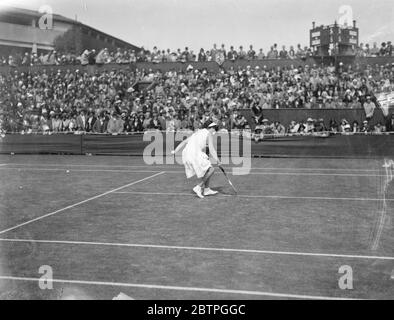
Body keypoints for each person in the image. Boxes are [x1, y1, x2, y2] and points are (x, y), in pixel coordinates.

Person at [171, 121, 221, 199]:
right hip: (194, 154)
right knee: (211, 170)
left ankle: (207, 190)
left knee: (207, 169)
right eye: (214, 128)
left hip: (188, 154)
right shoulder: (209, 134)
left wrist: (175, 151)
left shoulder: (197, 133)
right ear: (210, 127)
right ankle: (199, 187)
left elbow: (184, 142)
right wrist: (218, 160)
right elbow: (211, 149)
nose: (215, 130)